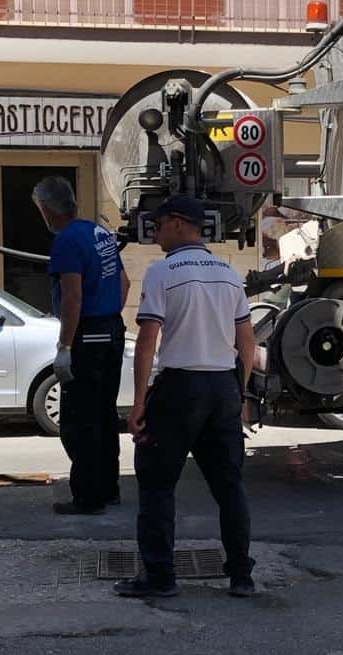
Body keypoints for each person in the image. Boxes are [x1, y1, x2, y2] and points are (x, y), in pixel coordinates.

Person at [115, 195, 257, 599]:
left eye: (159, 225)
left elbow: (147, 342)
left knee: (158, 484)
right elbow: (245, 340)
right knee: (229, 485)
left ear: (179, 223)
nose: (156, 233)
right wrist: (239, 391)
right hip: (222, 387)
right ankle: (241, 576)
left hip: (179, 388)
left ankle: (160, 577)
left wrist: (139, 402)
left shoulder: (163, 273)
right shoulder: (229, 274)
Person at [33, 176, 130, 515]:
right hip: (112, 330)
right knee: (104, 414)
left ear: (46, 210)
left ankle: (88, 497)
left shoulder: (65, 242)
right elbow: (124, 282)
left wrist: (65, 346)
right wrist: (109, 315)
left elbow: (72, 297)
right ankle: (109, 489)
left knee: (79, 421)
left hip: (87, 334)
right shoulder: (98, 232)